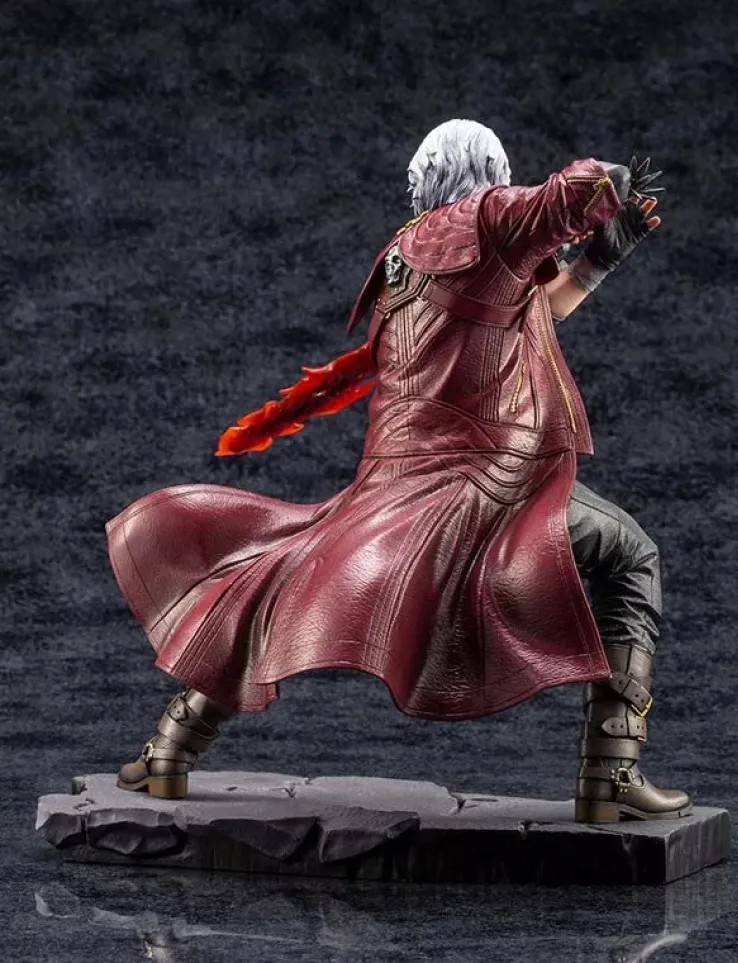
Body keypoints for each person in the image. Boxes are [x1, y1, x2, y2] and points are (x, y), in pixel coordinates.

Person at [109, 119, 690, 823]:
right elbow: (580, 190)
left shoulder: (404, 256)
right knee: (631, 555)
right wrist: (611, 182)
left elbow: (528, 315)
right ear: (490, 175)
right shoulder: (493, 218)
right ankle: (611, 773)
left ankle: (169, 748)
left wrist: (597, 262)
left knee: (277, 582)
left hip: (390, 489)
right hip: (482, 486)